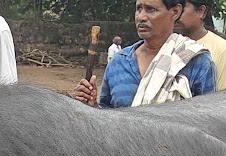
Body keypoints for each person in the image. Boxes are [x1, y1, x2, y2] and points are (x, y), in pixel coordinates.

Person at [75, 0, 216, 108]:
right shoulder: (119, 62)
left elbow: (206, 123)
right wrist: (92, 105)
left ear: (175, 12)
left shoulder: (197, 62)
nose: (141, 17)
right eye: (138, 9)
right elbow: (107, 118)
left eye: (151, 9)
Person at [178, 0, 226, 90]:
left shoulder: (224, 49)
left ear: (201, 11)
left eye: (181, 9)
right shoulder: (162, 46)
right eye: (171, 8)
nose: (174, 14)